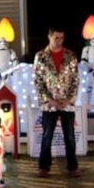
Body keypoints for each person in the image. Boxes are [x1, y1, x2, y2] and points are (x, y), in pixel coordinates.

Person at [33, 26, 80, 178]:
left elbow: (75, 80)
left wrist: (69, 99)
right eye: (56, 38)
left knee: (70, 137)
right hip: (49, 105)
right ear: (49, 37)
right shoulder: (40, 56)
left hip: (67, 104)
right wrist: (49, 99)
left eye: (62, 38)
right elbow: (38, 81)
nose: (59, 41)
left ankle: (72, 167)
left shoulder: (71, 55)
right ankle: (44, 167)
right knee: (47, 136)